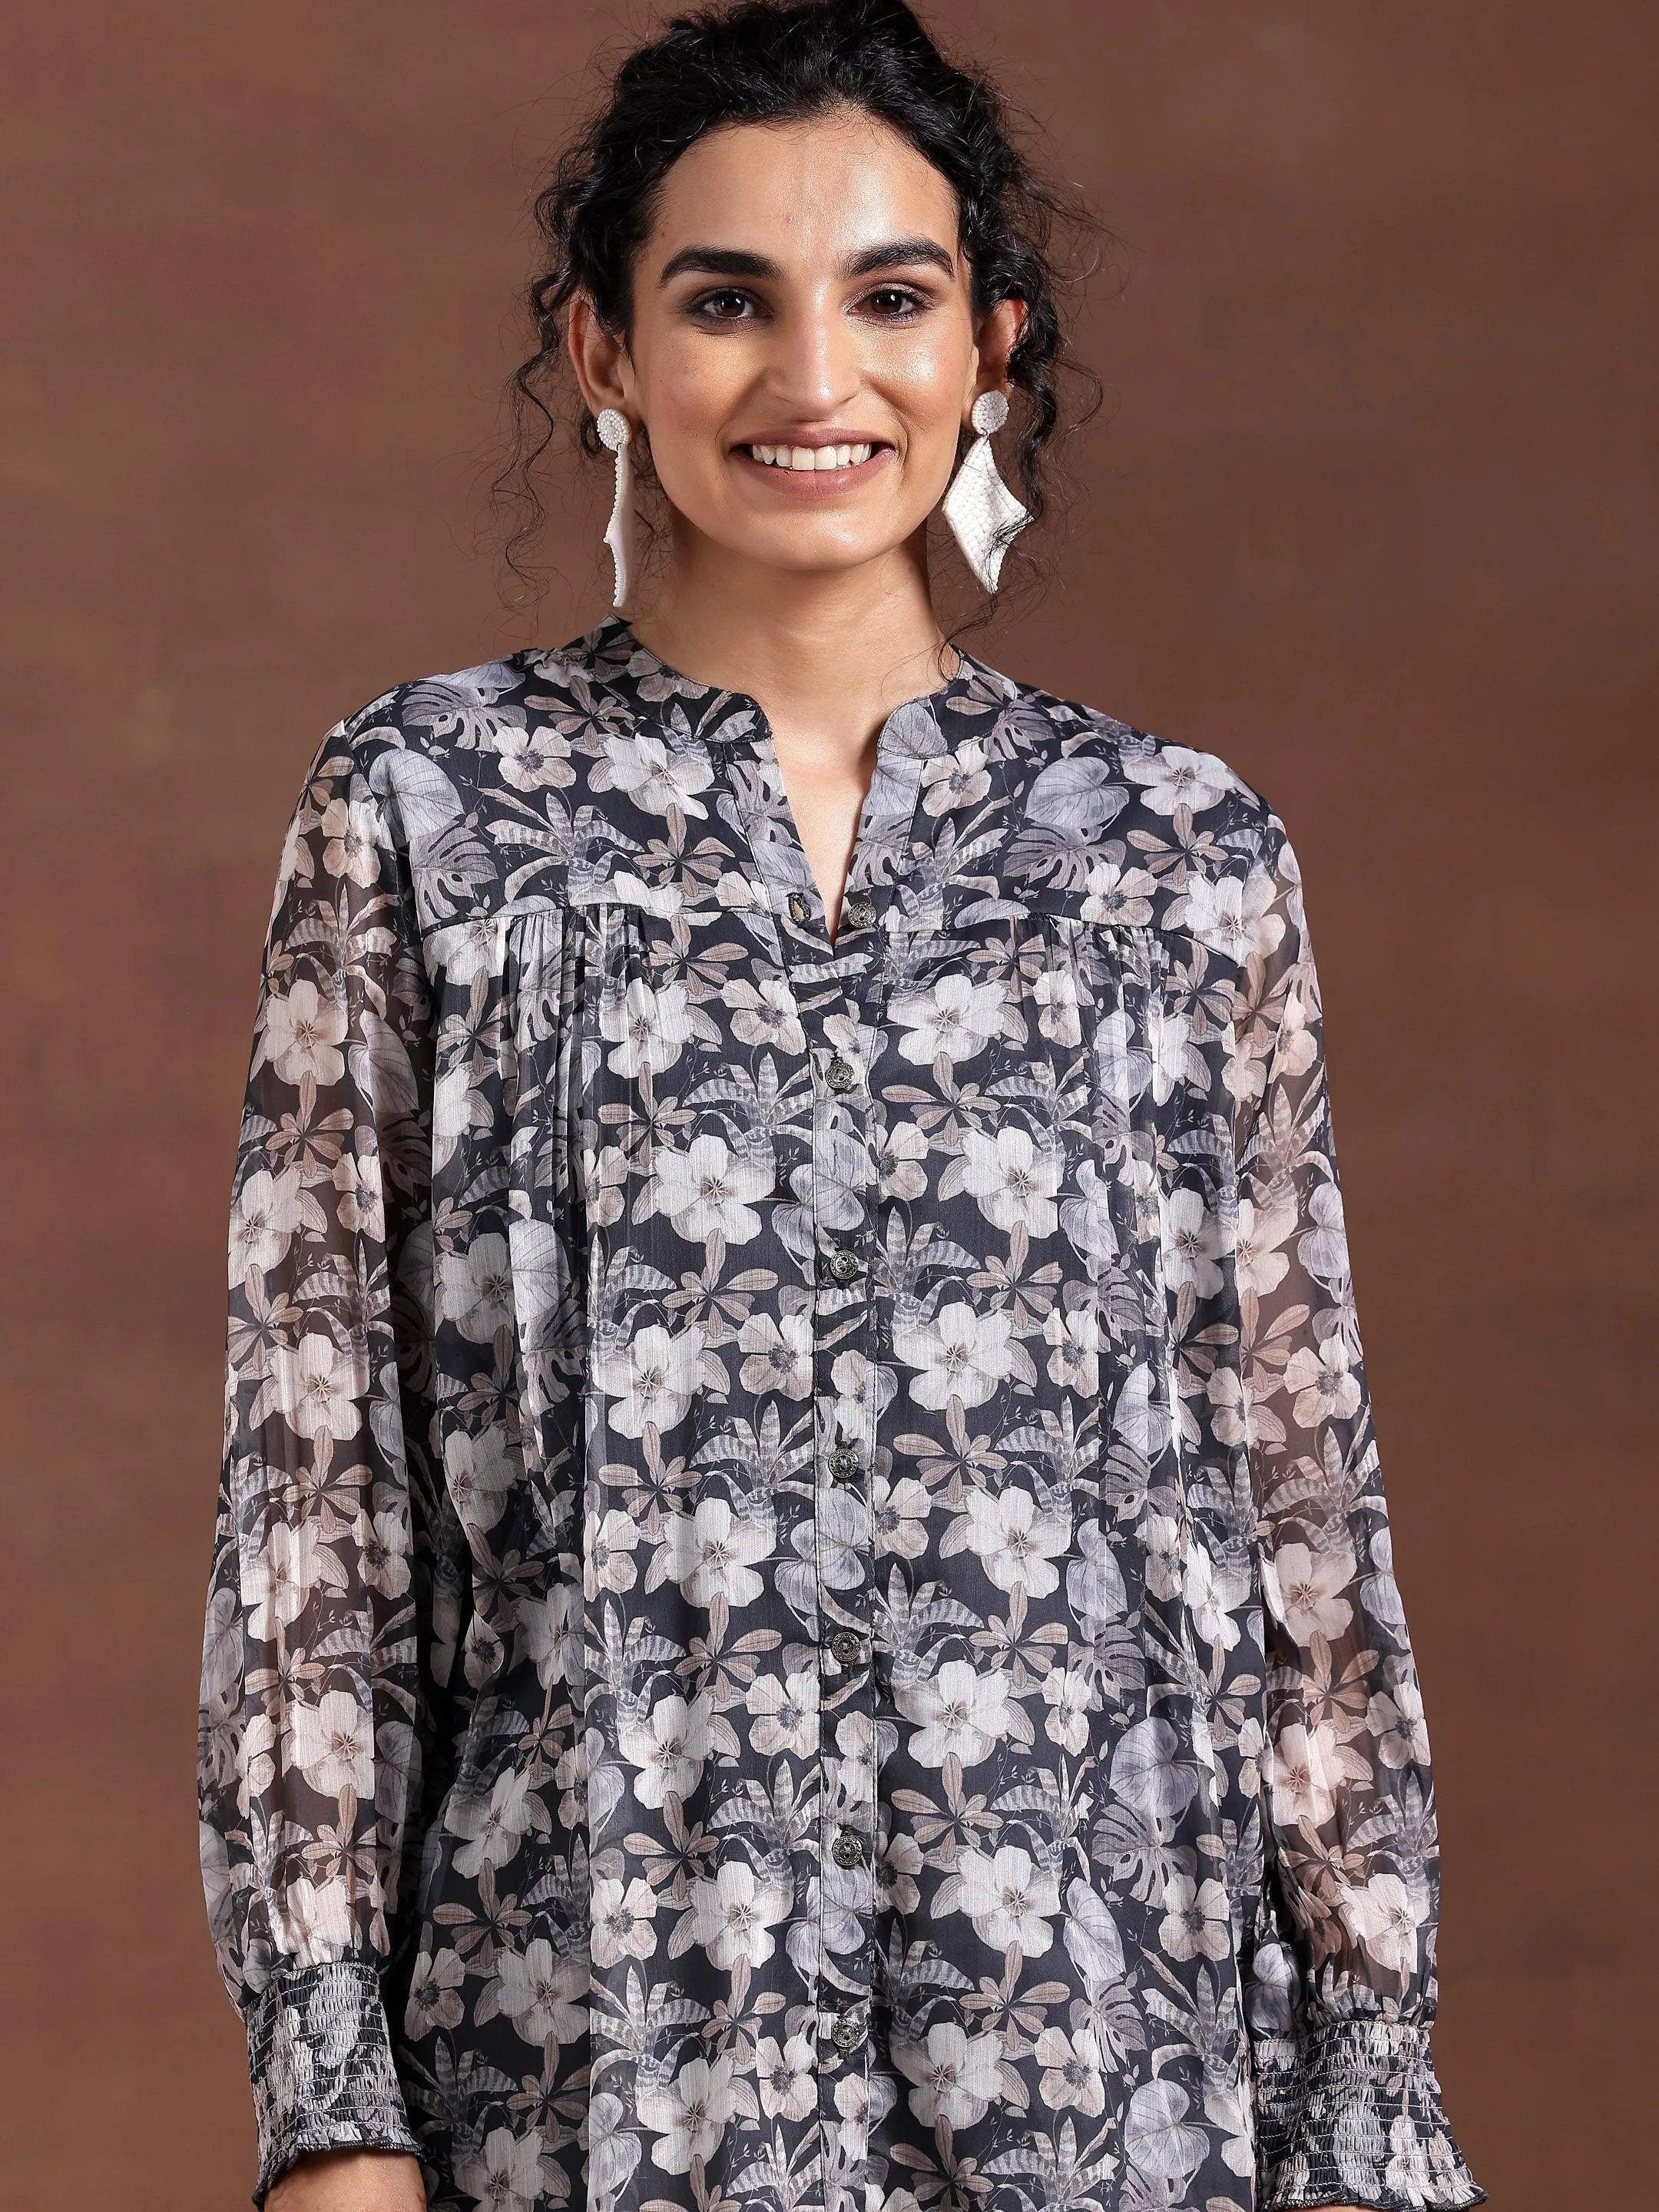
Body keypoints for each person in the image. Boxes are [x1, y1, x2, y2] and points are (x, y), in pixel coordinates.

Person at [194, 5, 1486, 2210]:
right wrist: (333, 2110)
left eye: (891, 299)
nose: (818, 378)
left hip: (1112, 2067)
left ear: (989, 348)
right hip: (593, 2061)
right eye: (728, 302)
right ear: (604, 350)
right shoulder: (428, 817)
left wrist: (1366, 2083)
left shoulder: (1171, 856)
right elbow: (320, 1500)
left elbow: (1294, 1512)